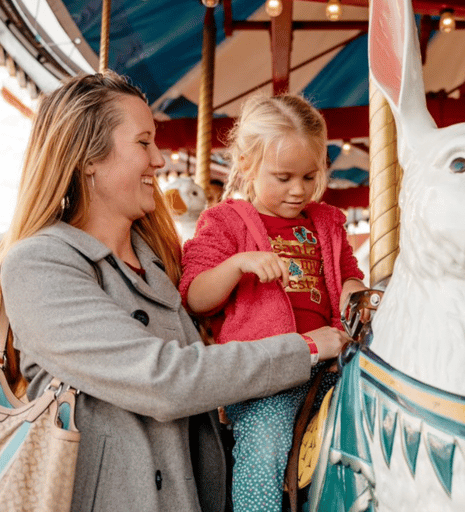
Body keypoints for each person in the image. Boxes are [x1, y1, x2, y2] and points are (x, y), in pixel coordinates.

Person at [0, 71, 350, 512]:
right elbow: (163, 380)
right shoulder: (40, 264)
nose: (160, 160)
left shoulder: (163, 263)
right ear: (89, 158)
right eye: (144, 143)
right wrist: (302, 349)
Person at [179, 93, 367, 512]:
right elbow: (195, 296)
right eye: (283, 178)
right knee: (264, 452)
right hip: (267, 377)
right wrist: (237, 265)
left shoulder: (326, 222)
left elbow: (348, 275)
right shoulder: (226, 222)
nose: (298, 190)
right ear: (246, 165)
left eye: (309, 176)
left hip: (334, 364)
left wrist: (358, 295)